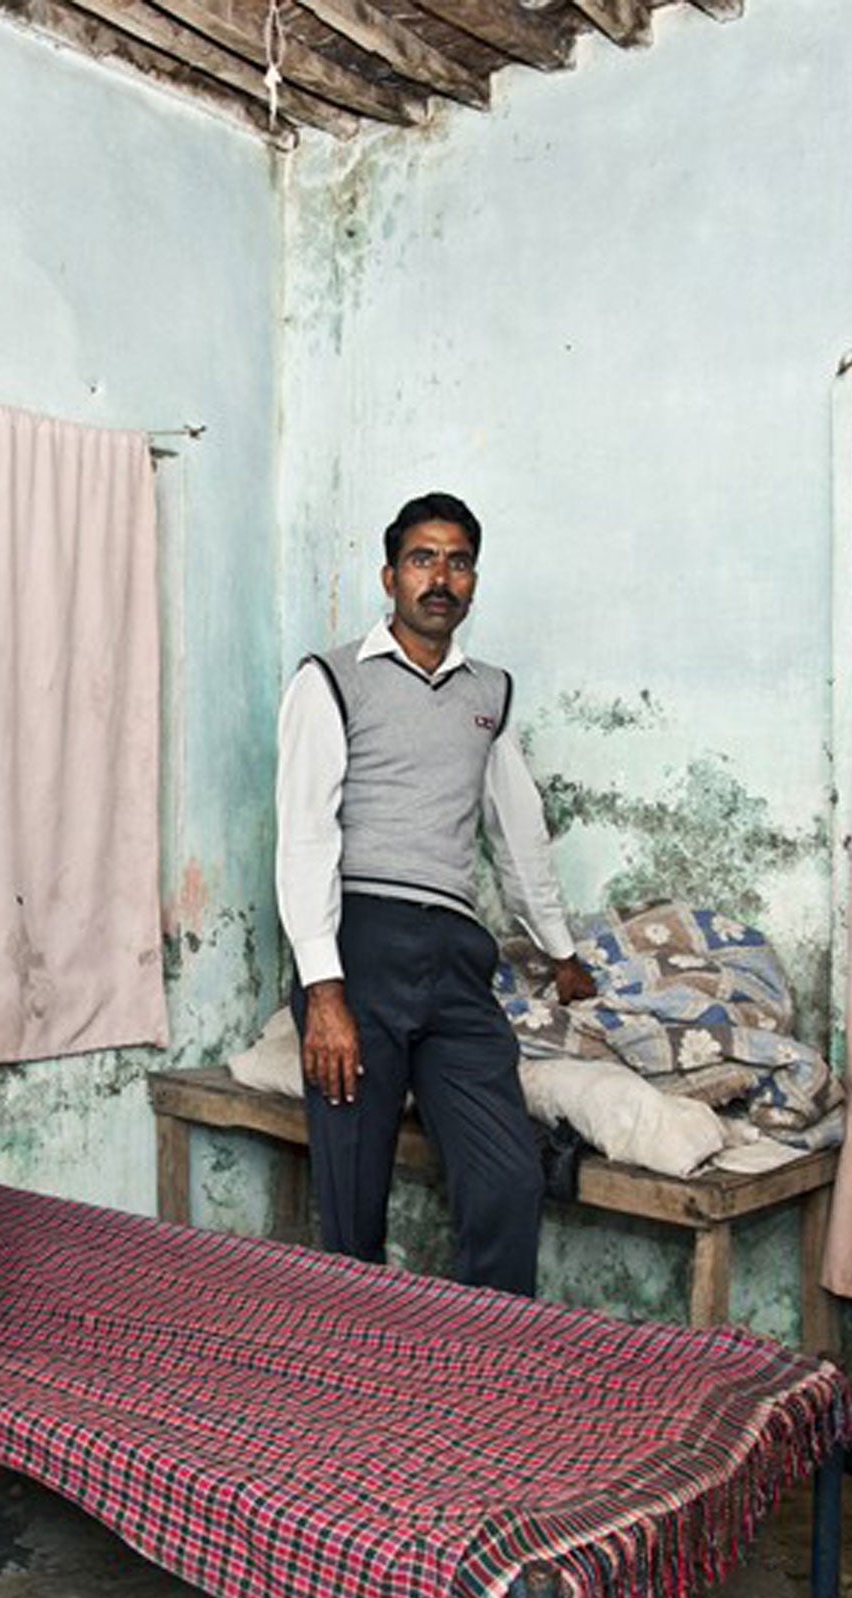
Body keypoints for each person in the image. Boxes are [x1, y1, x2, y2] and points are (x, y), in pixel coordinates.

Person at [275, 492, 595, 1297]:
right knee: (352, 1199)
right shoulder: (331, 680)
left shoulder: (490, 694)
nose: (439, 577)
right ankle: (356, 1381)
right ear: (390, 576)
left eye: (456, 561)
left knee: (507, 1177)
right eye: (423, 558)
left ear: (474, 582)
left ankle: (485, 1370)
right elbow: (305, 833)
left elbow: (516, 833)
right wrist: (324, 991)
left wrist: (560, 951)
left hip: (456, 958)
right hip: (360, 949)